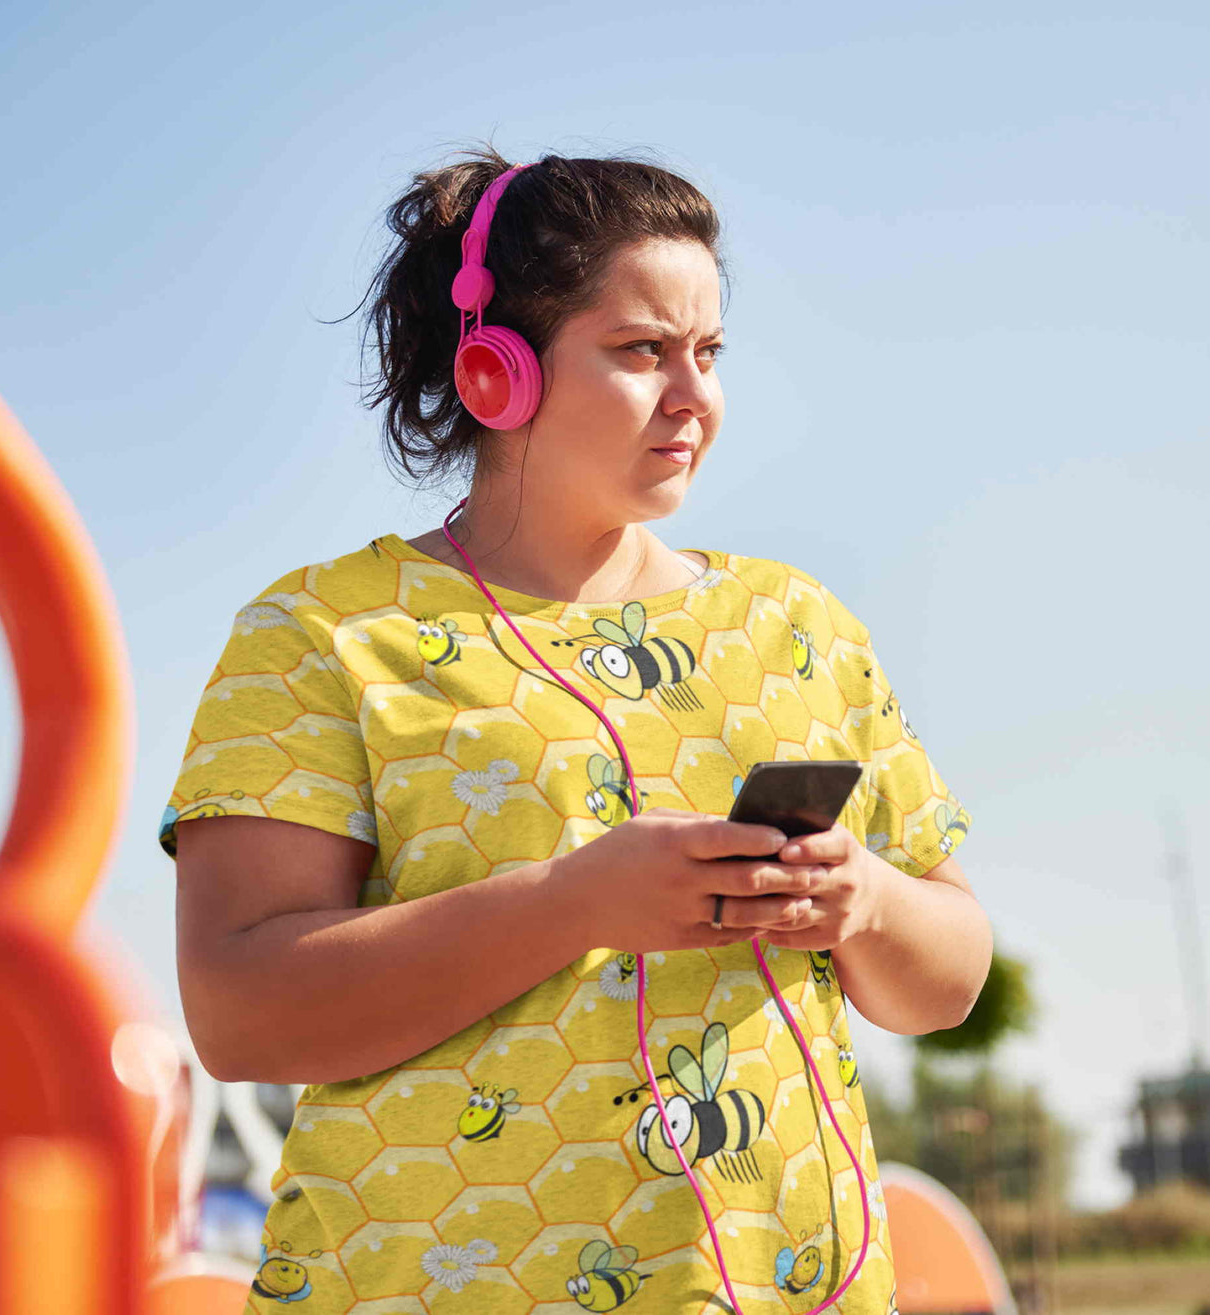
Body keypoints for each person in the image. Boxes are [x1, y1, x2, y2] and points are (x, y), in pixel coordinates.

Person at [163, 144, 992, 1315]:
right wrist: (574, 904)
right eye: (641, 351)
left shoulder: (799, 625)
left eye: (707, 353)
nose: (692, 396)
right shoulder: (321, 635)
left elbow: (944, 978)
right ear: (497, 373)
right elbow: (240, 1011)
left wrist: (859, 898)